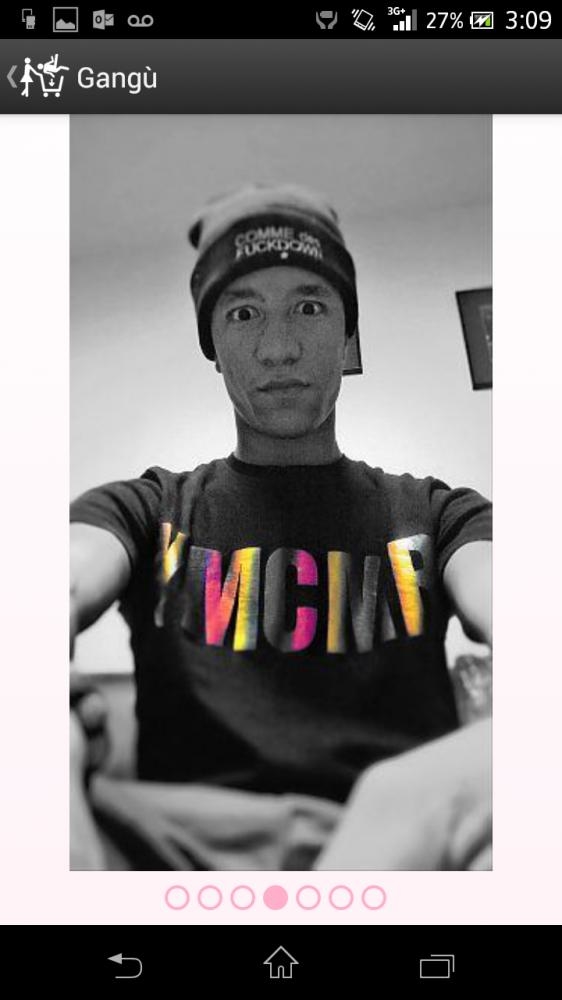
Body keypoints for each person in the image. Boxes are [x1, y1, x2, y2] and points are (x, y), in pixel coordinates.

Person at [70, 184, 492, 871]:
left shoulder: (441, 515)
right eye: (243, 313)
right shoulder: (147, 510)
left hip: (415, 850)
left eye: (309, 306)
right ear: (213, 345)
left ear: (347, 331)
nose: (278, 348)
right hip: (175, 858)